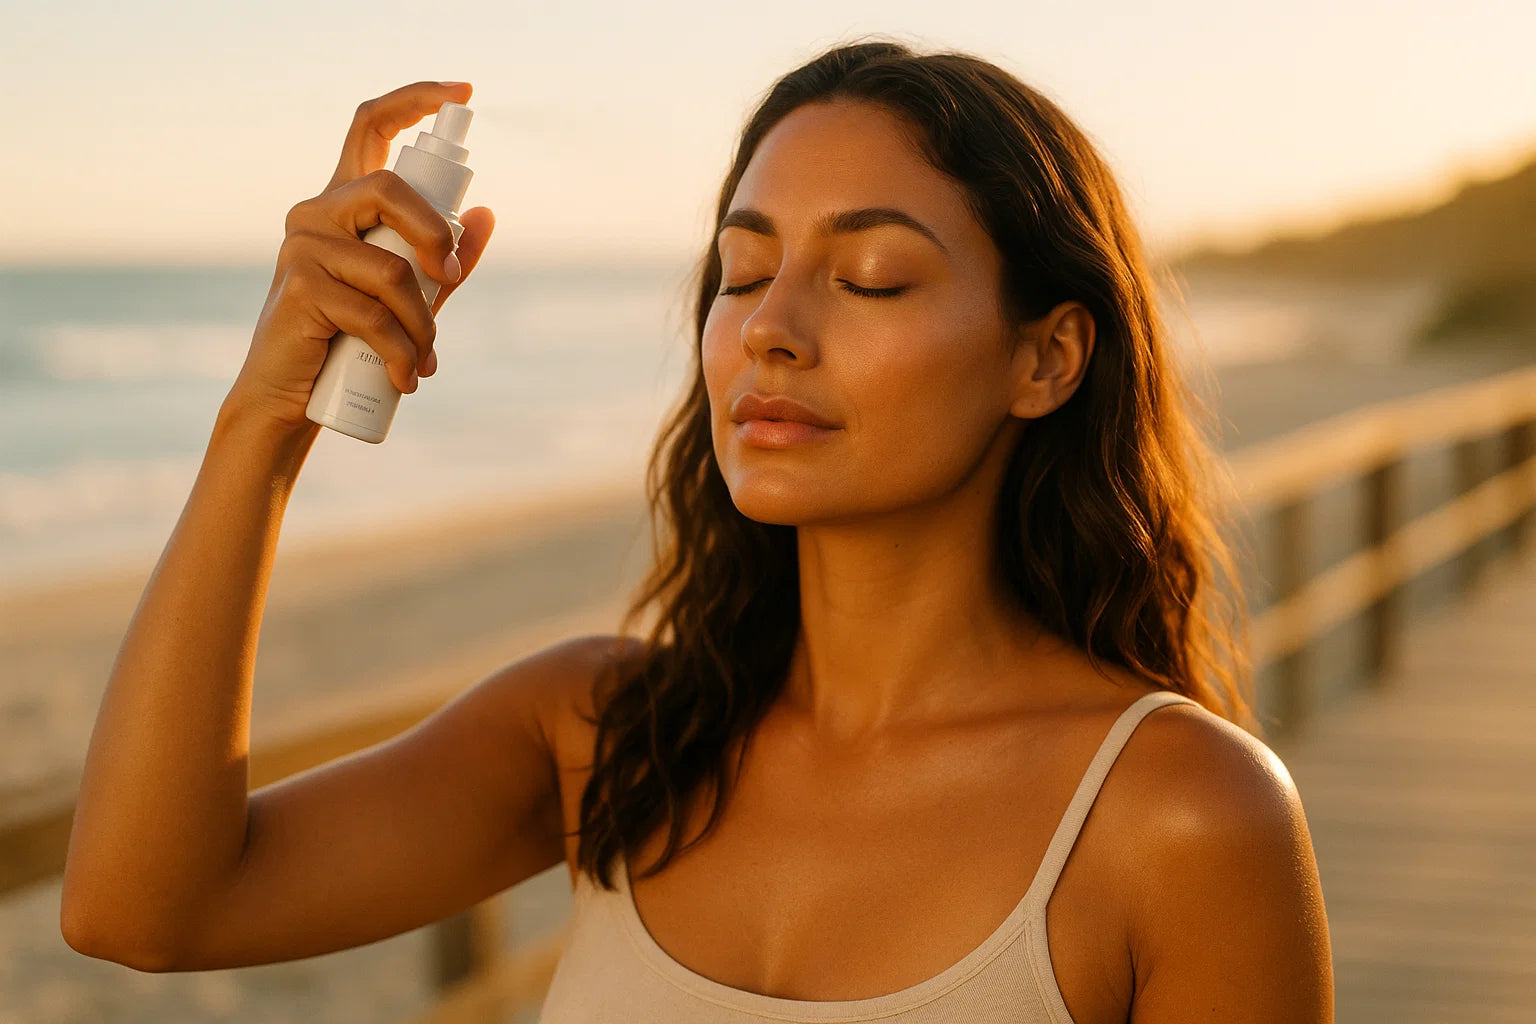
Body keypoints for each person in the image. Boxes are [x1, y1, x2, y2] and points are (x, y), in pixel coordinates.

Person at [60, 38, 1333, 1024]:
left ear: (1046, 356)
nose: (770, 325)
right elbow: (140, 906)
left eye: (870, 276)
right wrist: (260, 427)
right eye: (740, 271)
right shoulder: (605, 737)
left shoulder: (1178, 815)